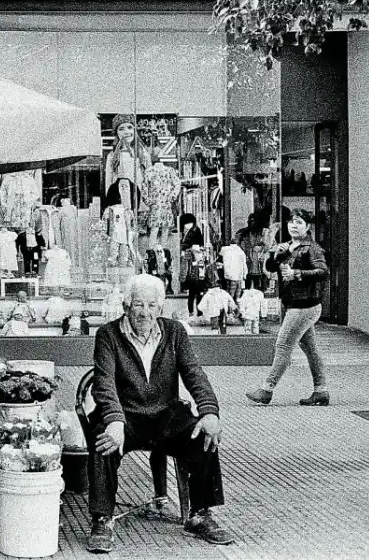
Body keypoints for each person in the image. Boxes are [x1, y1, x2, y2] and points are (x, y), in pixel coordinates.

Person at [87, 274, 233, 553]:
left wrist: (209, 411)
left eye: (152, 306)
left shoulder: (174, 331)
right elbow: (103, 383)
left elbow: (194, 373)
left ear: (160, 308)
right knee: (102, 442)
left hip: (165, 415)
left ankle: (200, 514)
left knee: (203, 435)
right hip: (125, 416)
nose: (145, 312)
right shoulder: (107, 334)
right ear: (126, 306)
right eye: (138, 305)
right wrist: (114, 420)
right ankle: (102, 519)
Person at [246, 209, 330, 406]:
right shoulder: (289, 246)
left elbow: (323, 271)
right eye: (291, 222)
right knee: (310, 349)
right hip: (297, 304)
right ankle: (321, 390)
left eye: (299, 222)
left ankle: (267, 389)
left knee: (283, 345)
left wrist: (297, 273)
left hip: (304, 306)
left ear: (307, 227)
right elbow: (272, 269)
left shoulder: (312, 248)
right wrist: (276, 256)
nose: (293, 225)